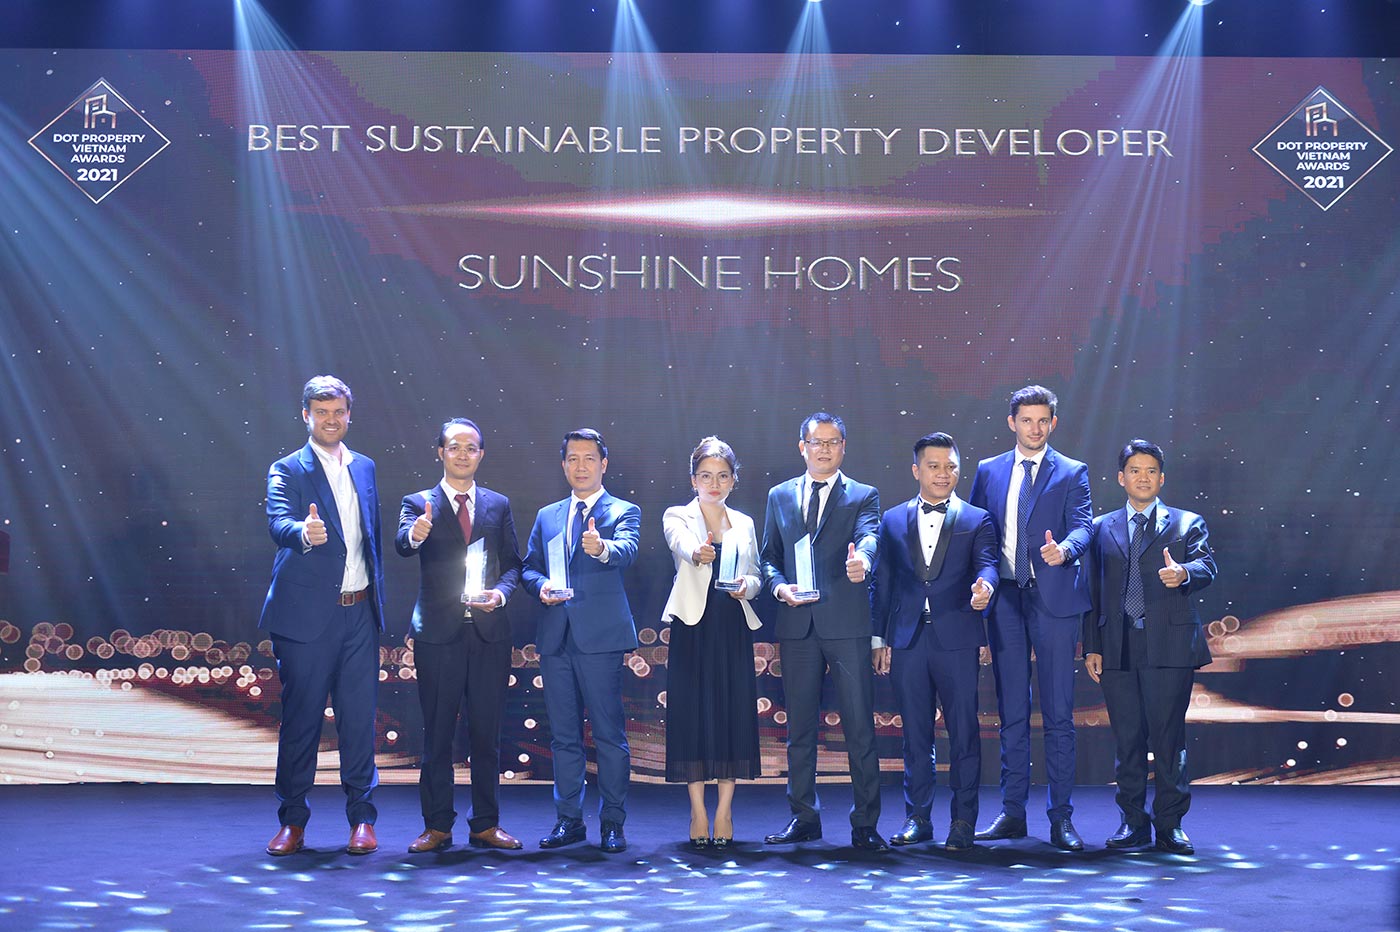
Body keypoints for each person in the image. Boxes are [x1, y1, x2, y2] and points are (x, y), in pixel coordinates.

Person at [260, 375, 384, 857]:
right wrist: (302, 532)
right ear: (306, 416)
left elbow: (369, 538)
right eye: (321, 412)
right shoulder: (287, 468)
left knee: (359, 722)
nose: (330, 420)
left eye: (338, 412)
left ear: (349, 415)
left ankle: (362, 819)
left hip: (359, 613)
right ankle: (292, 821)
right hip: (306, 618)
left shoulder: (365, 467)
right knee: (301, 722)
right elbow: (278, 522)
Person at [968, 385, 1092, 851]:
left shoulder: (1072, 471)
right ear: (1012, 423)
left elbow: (1084, 525)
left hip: (1053, 599)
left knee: (1059, 712)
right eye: (1026, 420)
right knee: (1012, 712)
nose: (1035, 429)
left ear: (1053, 423)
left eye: (1043, 420)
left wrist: (1066, 550)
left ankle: (1061, 818)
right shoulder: (989, 470)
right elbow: (979, 531)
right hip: (1004, 600)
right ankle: (1012, 812)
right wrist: (981, 581)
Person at [396, 418, 524, 853]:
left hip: (489, 634)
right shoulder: (418, 503)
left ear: (481, 454)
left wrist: (500, 595)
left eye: (471, 447)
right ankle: (437, 825)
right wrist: (415, 534)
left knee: (487, 734)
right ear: (440, 452)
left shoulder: (498, 504)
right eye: (454, 447)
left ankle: (485, 823)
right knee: (437, 735)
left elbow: (513, 564)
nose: (463, 454)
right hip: (438, 635)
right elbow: (402, 543)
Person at [760, 412, 885, 851]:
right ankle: (803, 817)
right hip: (797, 624)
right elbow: (769, 556)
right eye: (817, 442)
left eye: (833, 442)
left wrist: (862, 561)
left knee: (859, 727)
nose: (824, 449)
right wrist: (779, 587)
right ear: (803, 447)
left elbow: (870, 537)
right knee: (800, 729)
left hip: (847, 625)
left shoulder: (863, 495)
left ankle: (865, 823)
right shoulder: (779, 495)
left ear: (844, 447)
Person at [1084, 439, 1216, 855]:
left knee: (1168, 738)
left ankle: (1170, 825)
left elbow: (1207, 565)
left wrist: (1184, 573)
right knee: (1128, 739)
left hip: (1170, 645)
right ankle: (1133, 823)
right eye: (1135, 471)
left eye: (1151, 471)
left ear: (1162, 478)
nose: (1143, 478)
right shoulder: (1099, 527)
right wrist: (1091, 646)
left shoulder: (1187, 523)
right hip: (1117, 645)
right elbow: (1092, 591)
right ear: (1121, 478)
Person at [871, 433, 999, 850]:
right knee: (915, 734)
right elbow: (883, 584)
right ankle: (918, 818)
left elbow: (988, 565)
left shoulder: (977, 519)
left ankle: (963, 821)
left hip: (958, 638)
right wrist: (879, 638)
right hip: (908, 639)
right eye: (934, 466)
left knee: (964, 732)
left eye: (950, 467)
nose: (943, 474)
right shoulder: (892, 519)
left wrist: (986, 588)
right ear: (916, 471)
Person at [522, 429, 641, 854]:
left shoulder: (624, 510)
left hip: (601, 639)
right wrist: (540, 587)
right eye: (573, 458)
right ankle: (568, 820)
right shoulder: (548, 515)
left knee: (608, 735)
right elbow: (529, 567)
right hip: (556, 639)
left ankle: (612, 822)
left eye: (589, 458)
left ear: (603, 464)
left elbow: (627, 550)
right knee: (563, 737)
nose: (581, 466)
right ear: (563, 465)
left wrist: (601, 548)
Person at [661, 437, 763, 849]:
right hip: (693, 626)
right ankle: (697, 811)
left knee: (730, 714)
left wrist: (747, 586)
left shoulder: (744, 523)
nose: (714, 484)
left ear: (734, 480)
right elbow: (680, 544)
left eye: (722, 476)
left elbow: (756, 574)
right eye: (706, 476)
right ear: (693, 480)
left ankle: (724, 810)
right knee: (692, 716)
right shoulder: (678, 516)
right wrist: (698, 552)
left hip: (731, 624)